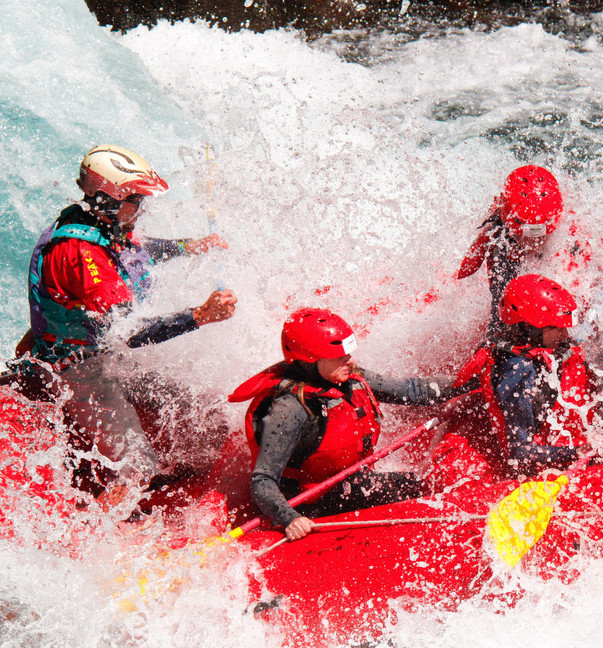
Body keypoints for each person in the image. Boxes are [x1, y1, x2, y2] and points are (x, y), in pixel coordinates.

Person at [17, 144, 236, 501]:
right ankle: (106, 542)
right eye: (136, 199)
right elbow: (130, 333)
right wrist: (199, 316)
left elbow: (140, 251)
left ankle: (181, 489)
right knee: (137, 468)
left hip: (105, 358)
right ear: (109, 199)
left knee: (205, 412)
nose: (142, 207)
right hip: (77, 370)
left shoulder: (99, 221)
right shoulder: (80, 254)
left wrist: (192, 246)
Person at [229, 308, 472, 541]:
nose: (349, 360)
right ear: (310, 359)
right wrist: (290, 518)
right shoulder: (290, 409)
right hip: (311, 503)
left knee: (427, 485)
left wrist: (470, 379)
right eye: (339, 356)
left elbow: (412, 390)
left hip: (349, 484)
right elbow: (263, 480)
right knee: (413, 494)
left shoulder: (348, 377)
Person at [435, 274, 599, 479]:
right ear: (530, 329)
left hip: (554, 442)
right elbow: (521, 454)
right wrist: (577, 451)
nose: (565, 335)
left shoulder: (542, 349)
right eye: (555, 328)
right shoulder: (518, 371)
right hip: (522, 470)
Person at [456, 165, 594, 333]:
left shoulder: (573, 236)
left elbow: (594, 281)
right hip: (510, 295)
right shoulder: (496, 234)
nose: (532, 242)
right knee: (500, 324)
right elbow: (463, 273)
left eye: (541, 234)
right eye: (522, 234)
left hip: (557, 306)